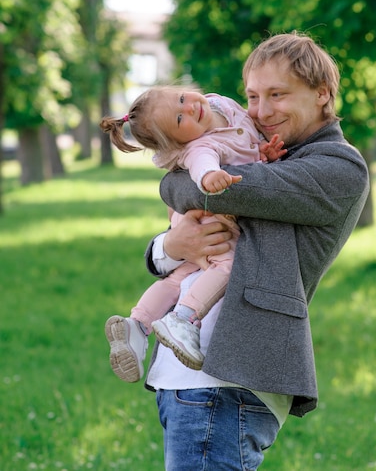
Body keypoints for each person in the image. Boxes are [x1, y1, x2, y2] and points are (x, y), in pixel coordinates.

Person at [143, 32, 370, 471]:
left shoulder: (338, 167)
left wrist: (177, 178)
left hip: (228, 377)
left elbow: (206, 187)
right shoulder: (261, 153)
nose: (261, 112)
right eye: (251, 96)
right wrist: (169, 246)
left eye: (277, 95)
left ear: (322, 93)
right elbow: (191, 200)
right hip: (186, 376)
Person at [100, 87, 286, 381]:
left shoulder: (218, 103)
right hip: (209, 222)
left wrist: (263, 154)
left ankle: (136, 324)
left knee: (177, 278)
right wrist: (211, 178)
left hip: (188, 224)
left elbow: (244, 147)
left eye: (182, 99)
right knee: (226, 266)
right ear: (177, 143)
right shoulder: (200, 148)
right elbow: (202, 166)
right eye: (178, 119)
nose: (190, 109)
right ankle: (184, 318)